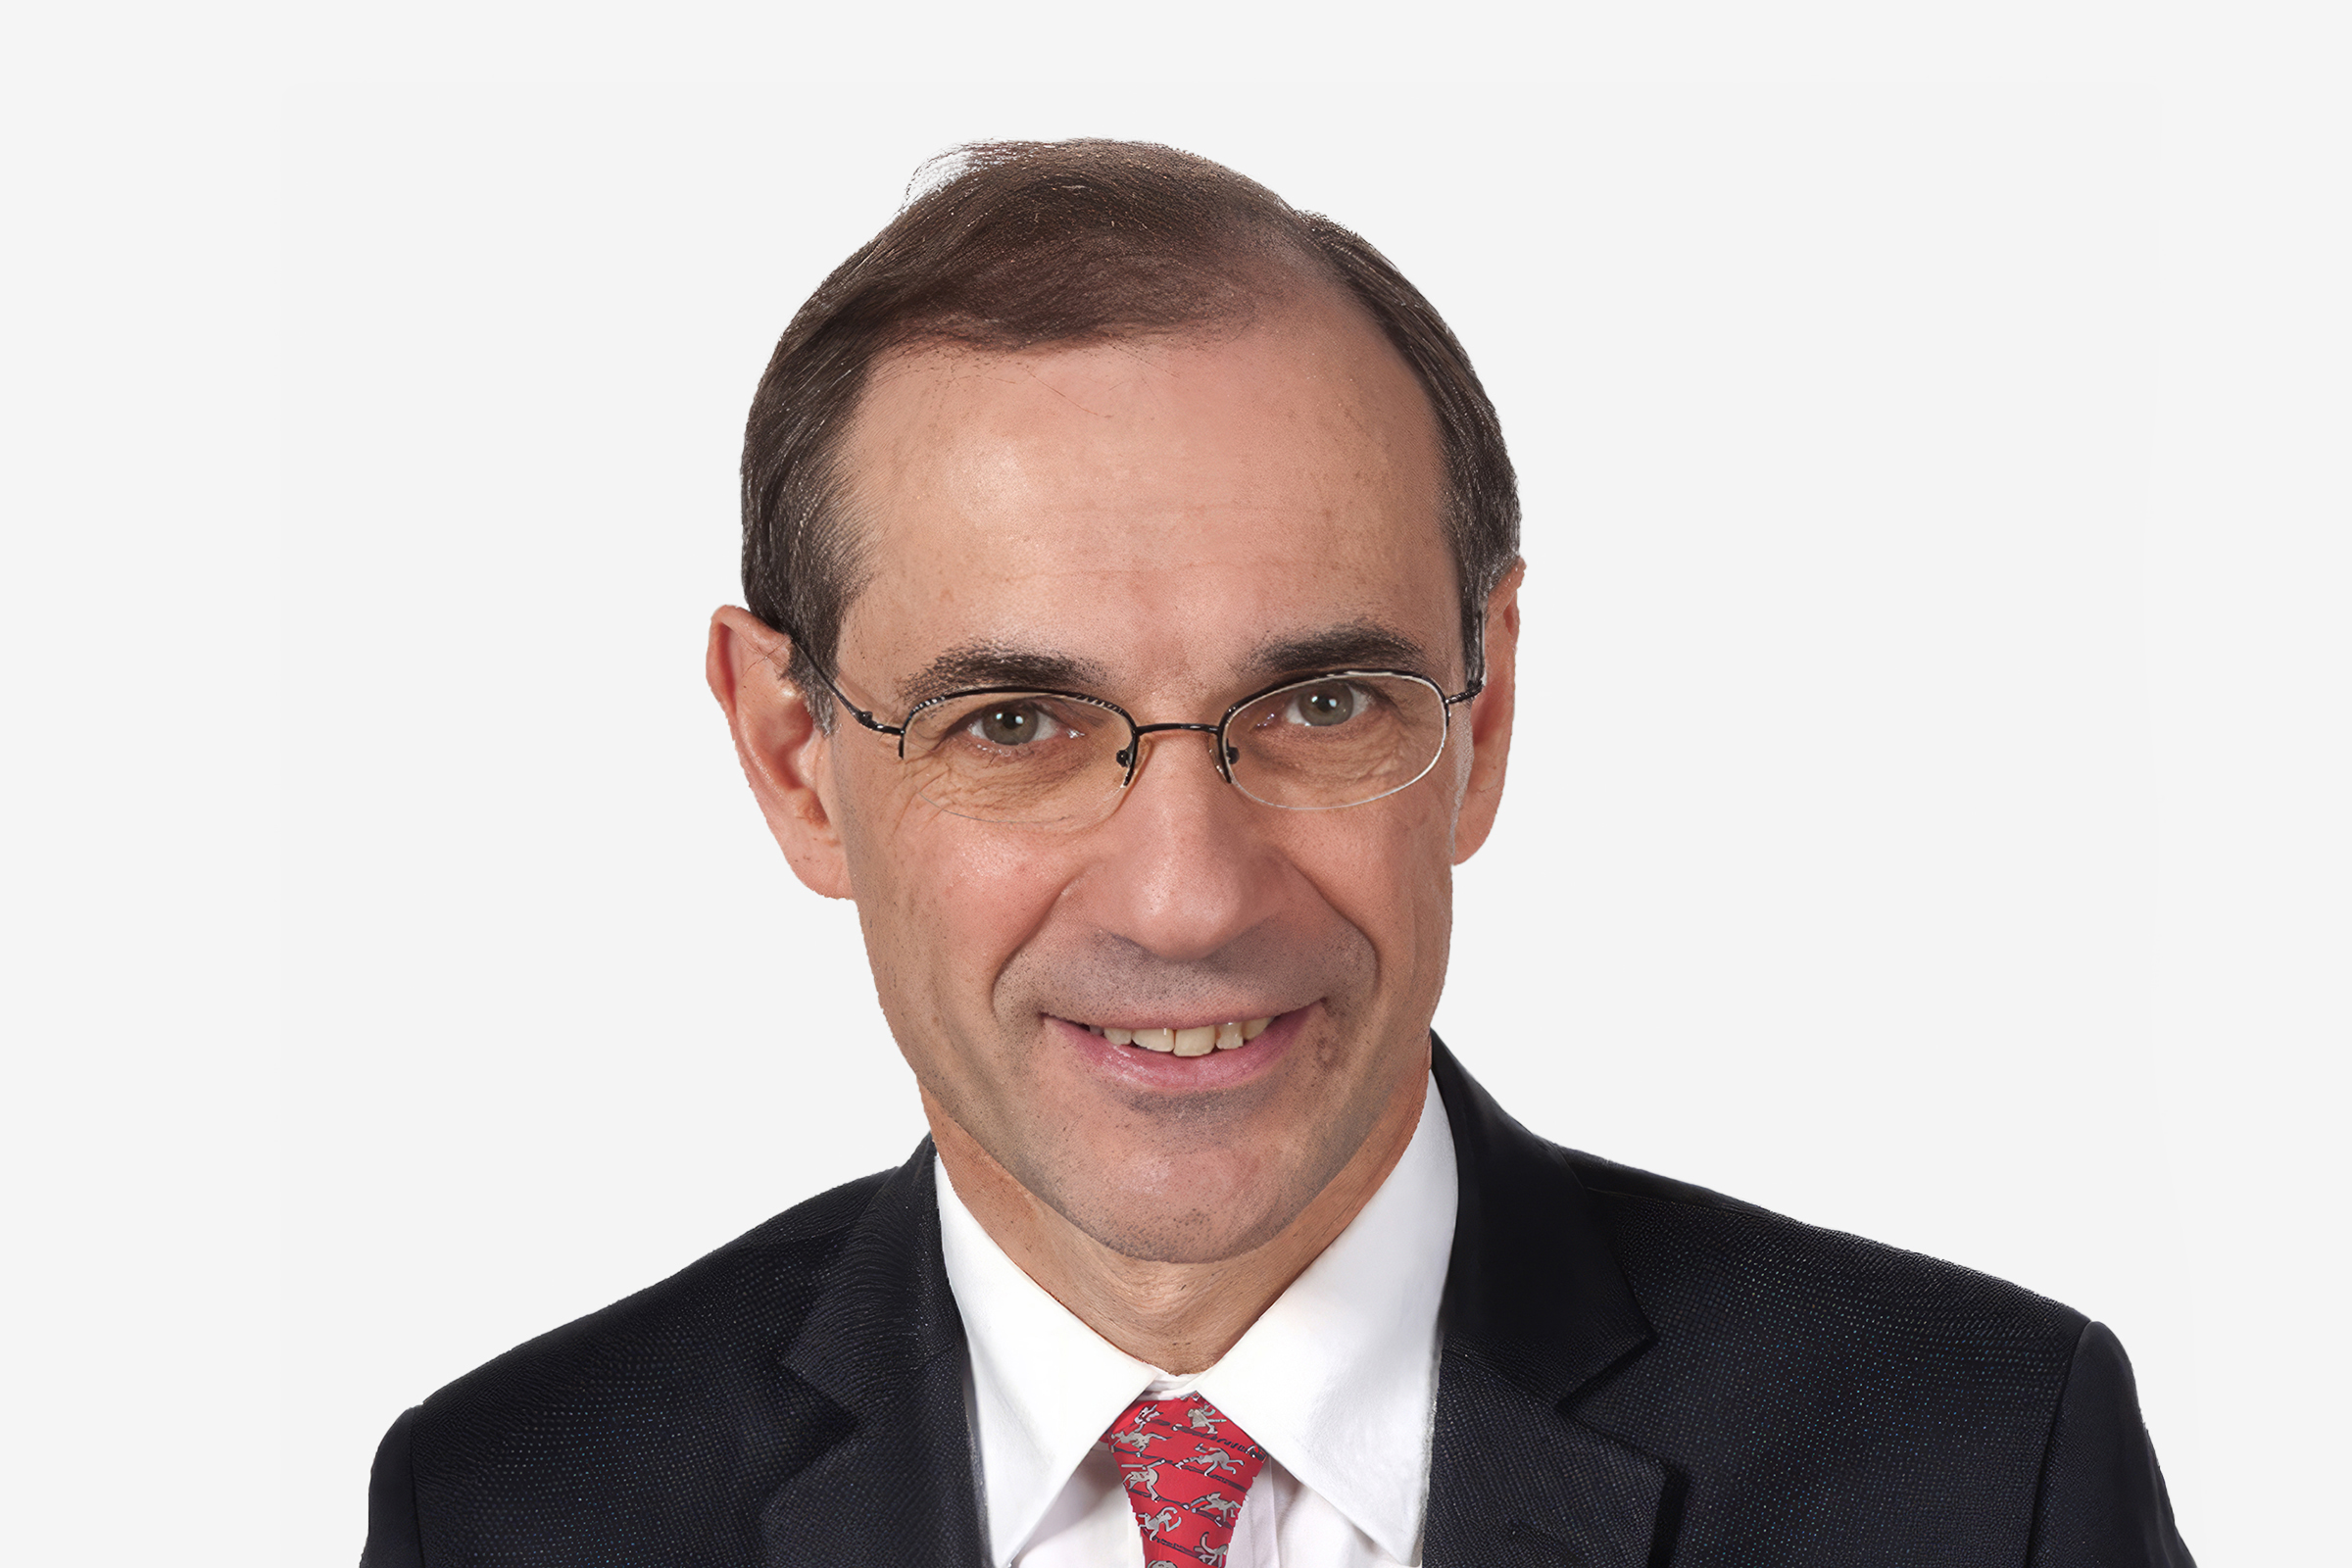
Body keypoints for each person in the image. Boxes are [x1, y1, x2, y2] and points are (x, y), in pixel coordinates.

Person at [360, 140, 2192, 1568]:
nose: (1187, 898)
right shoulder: (514, 1513)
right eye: (1017, 724)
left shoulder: (1980, 1478)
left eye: (1322, 705)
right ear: (795, 759)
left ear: (1483, 718)